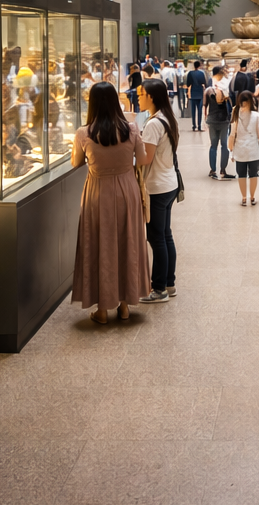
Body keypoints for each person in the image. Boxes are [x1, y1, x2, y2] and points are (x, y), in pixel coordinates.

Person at [71, 82, 150, 323]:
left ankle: (102, 310)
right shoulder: (131, 129)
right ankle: (125, 305)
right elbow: (143, 158)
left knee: (99, 244)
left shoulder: (84, 133)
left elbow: (76, 163)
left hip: (98, 192)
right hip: (127, 190)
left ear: (92, 103)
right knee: (128, 241)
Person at [136, 78, 181, 303]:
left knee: (157, 239)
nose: (138, 97)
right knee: (165, 235)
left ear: (150, 96)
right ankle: (169, 283)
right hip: (169, 183)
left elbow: (146, 158)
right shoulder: (168, 117)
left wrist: (132, 149)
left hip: (156, 187)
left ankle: (159, 288)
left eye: (141, 94)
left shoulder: (153, 124)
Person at [229, 90, 259, 206]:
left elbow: (232, 133)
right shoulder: (256, 115)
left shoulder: (235, 113)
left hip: (239, 150)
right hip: (253, 150)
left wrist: (230, 148)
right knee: (254, 174)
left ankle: (244, 198)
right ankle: (252, 197)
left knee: (242, 174)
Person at [204, 66, 234, 179]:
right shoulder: (224, 87)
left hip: (213, 120)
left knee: (214, 145)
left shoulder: (209, 89)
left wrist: (205, 119)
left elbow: (204, 106)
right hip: (223, 120)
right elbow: (229, 103)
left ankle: (213, 170)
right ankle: (222, 170)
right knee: (224, 145)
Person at [186, 60, 207, 131]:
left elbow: (188, 83)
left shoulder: (190, 73)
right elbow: (204, 82)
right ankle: (199, 126)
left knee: (193, 110)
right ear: (199, 66)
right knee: (200, 110)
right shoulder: (201, 73)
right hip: (200, 92)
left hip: (193, 92)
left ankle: (194, 125)